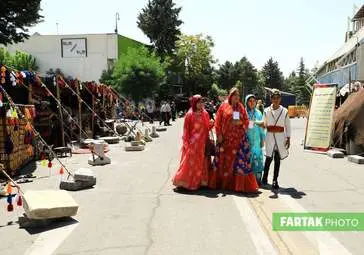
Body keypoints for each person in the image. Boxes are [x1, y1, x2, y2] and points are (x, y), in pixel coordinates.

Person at [210, 87, 258, 192]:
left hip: (239, 140)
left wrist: (240, 122)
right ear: (230, 96)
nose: (237, 97)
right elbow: (217, 121)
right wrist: (219, 135)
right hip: (225, 140)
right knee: (224, 161)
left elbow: (246, 121)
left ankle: (236, 185)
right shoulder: (223, 106)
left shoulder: (240, 107)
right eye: (234, 95)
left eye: (238, 95)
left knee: (238, 163)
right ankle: (223, 183)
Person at [172, 95, 213, 190]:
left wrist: (211, 124)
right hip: (193, 145)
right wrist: (186, 143)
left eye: (202, 102)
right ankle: (184, 183)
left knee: (202, 163)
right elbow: (186, 130)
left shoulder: (205, 113)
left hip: (203, 144)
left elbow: (206, 128)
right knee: (189, 164)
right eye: (199, 102)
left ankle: (201, 183)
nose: (201, 104)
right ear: (194, 103)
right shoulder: (189, 114)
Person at [261, 89, 291, 190]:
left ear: (280, 99)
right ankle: (264, 177)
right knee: (268, 159)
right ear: (271, 99)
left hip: (280, 137)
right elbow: (263, 123)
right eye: (274, 98)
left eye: (278, 98)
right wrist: (261, 125)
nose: (276, 100)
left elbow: (288, 125)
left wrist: (288, 137)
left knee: (277, 160)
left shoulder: (285, 111)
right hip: (269, 136)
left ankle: (275, 180)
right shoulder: (266, 111)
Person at [245, 95, 265, 185]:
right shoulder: (244, 113)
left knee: (258, 159)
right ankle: (248, 182)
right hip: (247, 140)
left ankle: (257, 181)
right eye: (250, 101)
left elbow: (262, 128)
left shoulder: (259, 113)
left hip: (257, 141)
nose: (252, 102)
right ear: (246, 102)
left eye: (254, 101)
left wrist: (262, 139)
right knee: (248, 159)